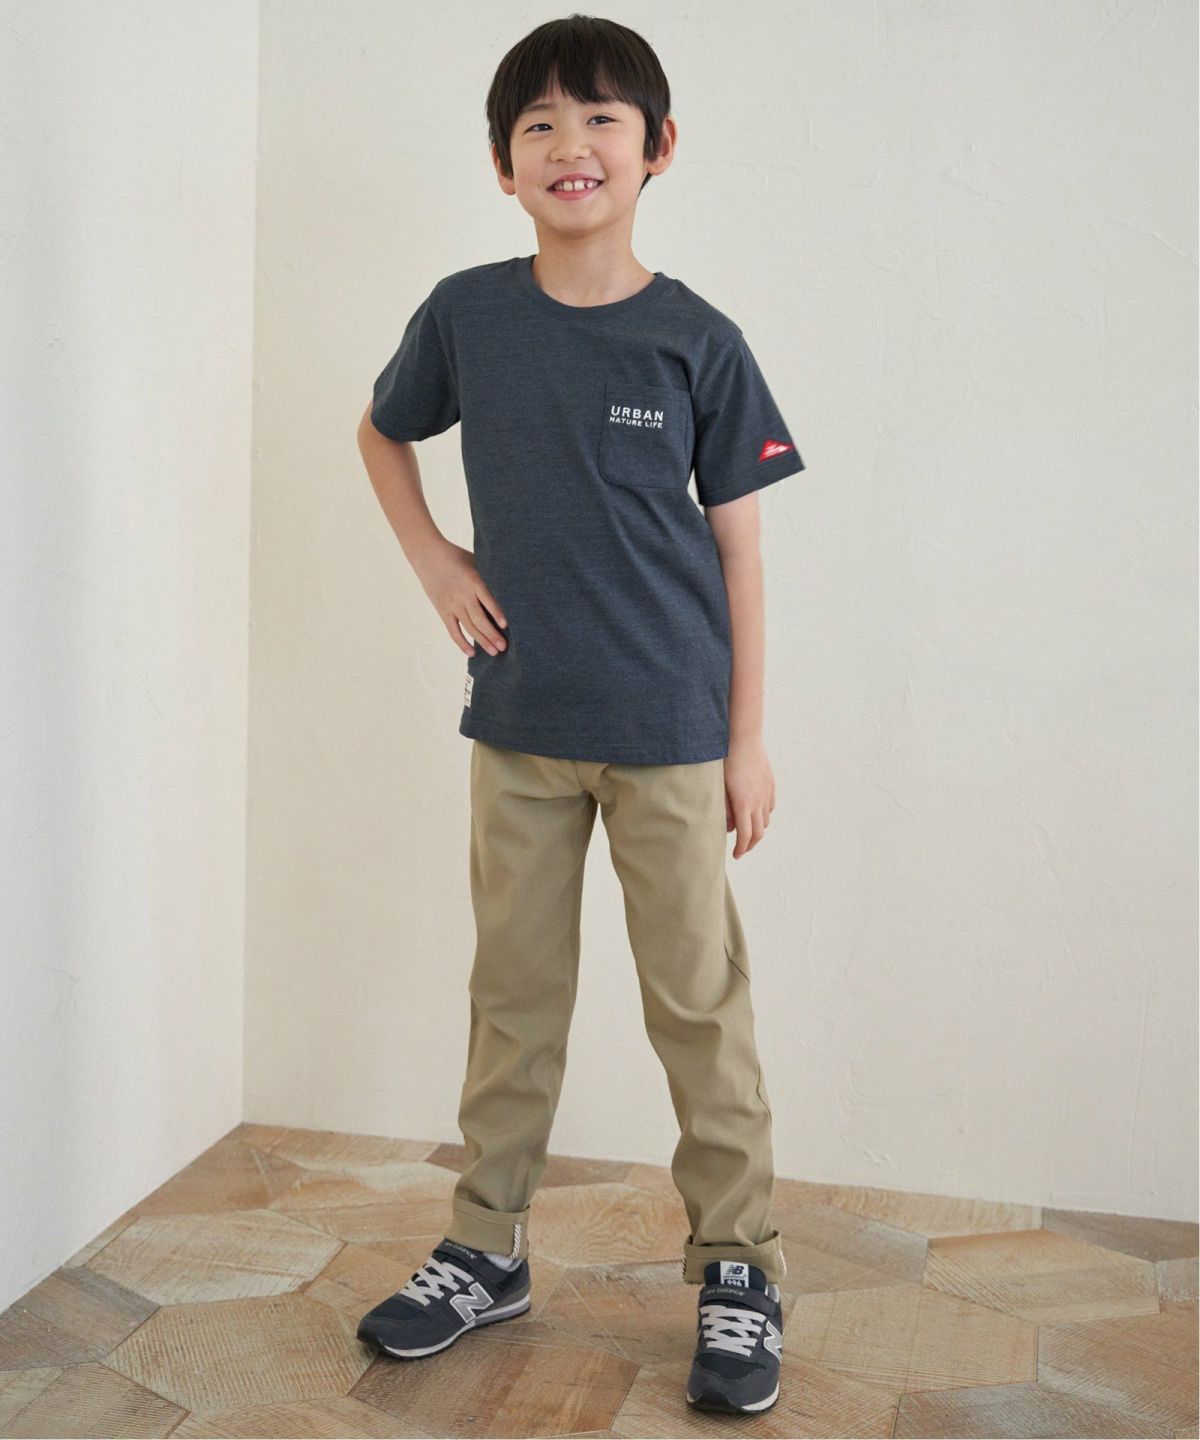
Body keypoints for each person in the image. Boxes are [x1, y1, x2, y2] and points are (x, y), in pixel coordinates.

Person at [354, 13, 805, 1417]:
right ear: (504, 165)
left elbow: (741, 554)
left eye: (602, 118)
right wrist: (438, 564)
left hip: (671, 732)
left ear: (657, 148)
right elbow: (382, 431)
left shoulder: (699, 341)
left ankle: (740, 1268)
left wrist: (745, 739)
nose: (571, 144)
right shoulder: (466, 315)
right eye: (538, 124)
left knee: (699, 1007)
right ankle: (486, 1248)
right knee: (514, 998)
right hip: (519, 726)